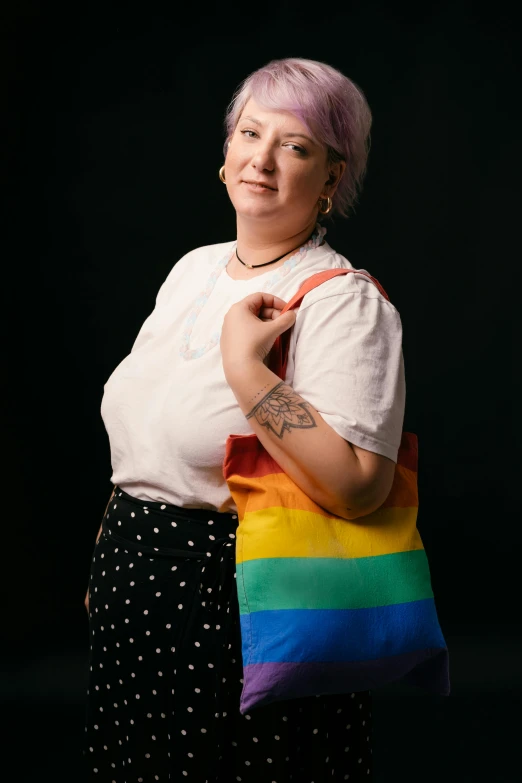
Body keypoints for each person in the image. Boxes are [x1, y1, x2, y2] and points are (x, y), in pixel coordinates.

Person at [83, 57, 406, 782]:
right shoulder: (192, 269)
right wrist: (112, 551)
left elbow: (358, 485)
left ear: (331, 178)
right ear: (225, 156)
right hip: (137, 577)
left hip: (242, 598)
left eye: (294, 145)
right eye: (249, 133)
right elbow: (149, 435)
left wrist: (249, 373)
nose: (261, 158)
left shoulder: (340, 301)